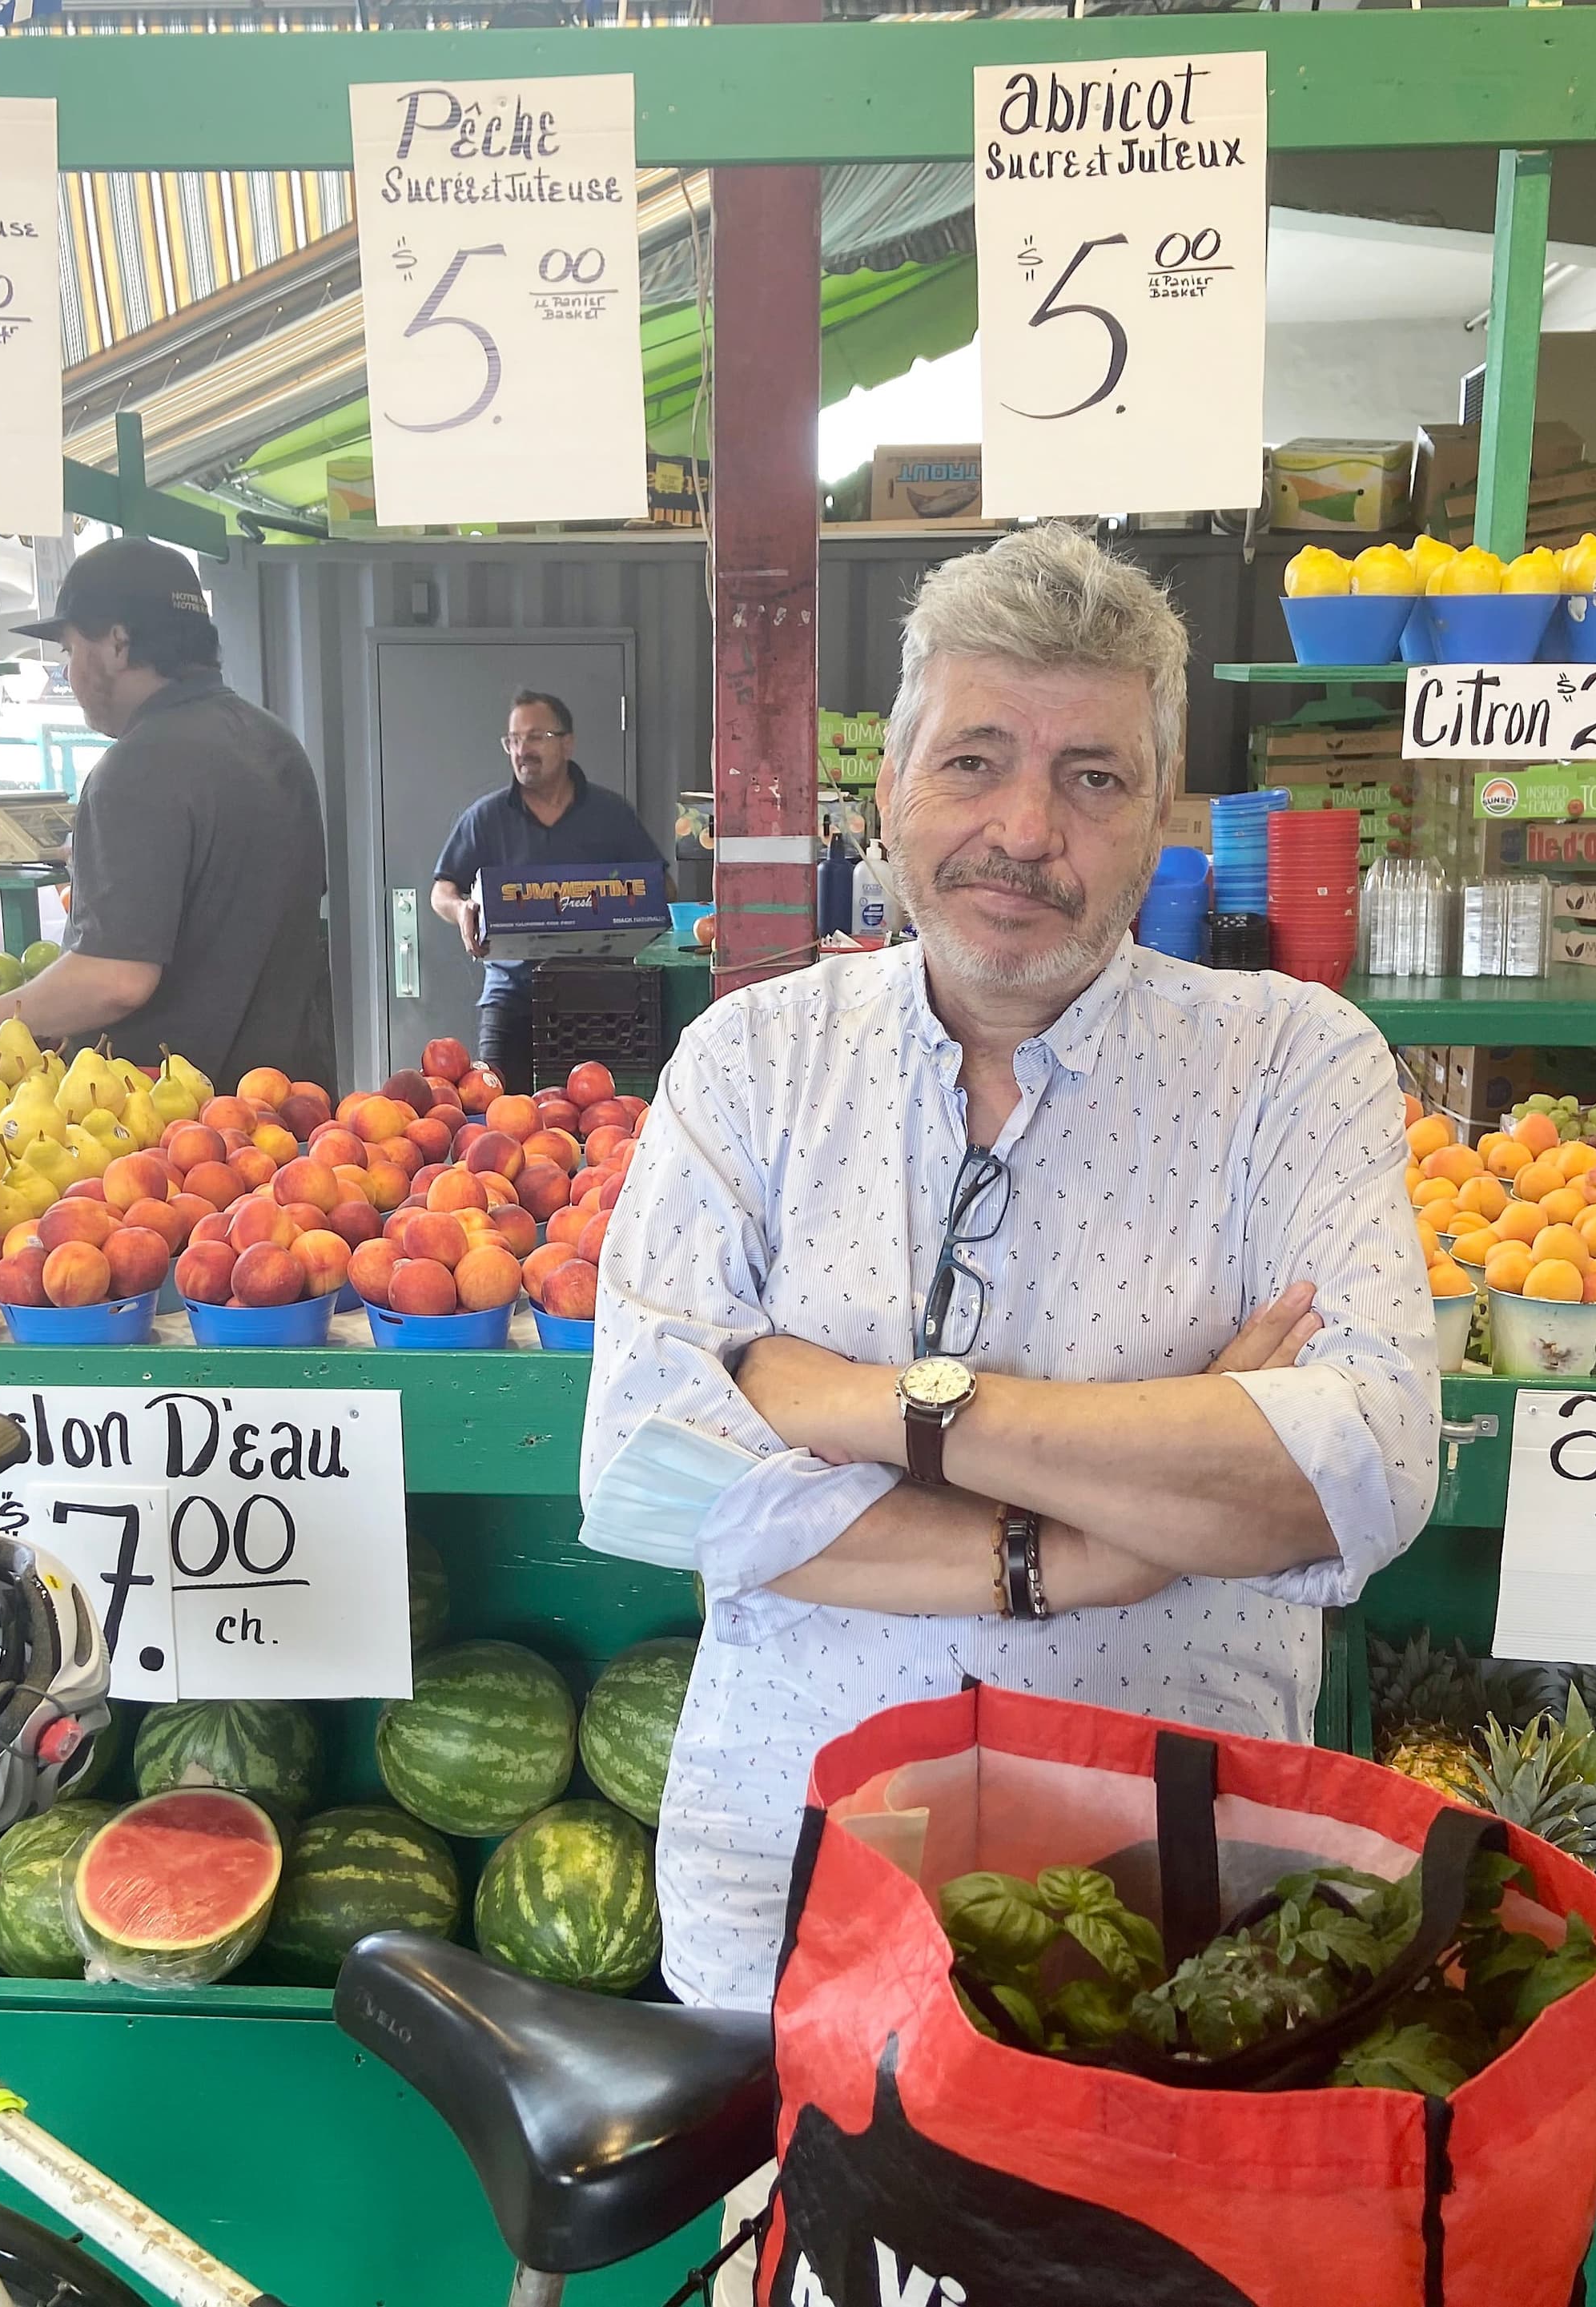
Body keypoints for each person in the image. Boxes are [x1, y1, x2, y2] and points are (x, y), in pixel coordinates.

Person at [583, 525, 1439, 2021]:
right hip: (793, 1885)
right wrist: (1090, 1549)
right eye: (975, 760)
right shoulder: (749, 1066)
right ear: (895, 785)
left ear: (1162, 817)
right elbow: (659, 1478)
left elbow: (1351, 1472)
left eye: (1093, 777)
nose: (1027, 828)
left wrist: (864, 1405)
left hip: (1183, 1905)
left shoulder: (1295, 1066)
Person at [0, 538, 336, 1087]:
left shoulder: (135, 767)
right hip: (287, 1112)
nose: (67, 671)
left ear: (117, 643)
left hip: (176, 1128)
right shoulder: (274, 742)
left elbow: (115, 978)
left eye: (69, 649)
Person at [428, 689, 666, 1091]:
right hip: (510, 999)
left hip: (602, 1000)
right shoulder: (486, 818)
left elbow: (664, 888)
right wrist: (463, 908)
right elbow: (441, 890)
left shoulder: (612, 815)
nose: (523, 749)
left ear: (567, 743)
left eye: (536, 736)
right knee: (501, 1118)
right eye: (514, 740)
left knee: (601, 1124)